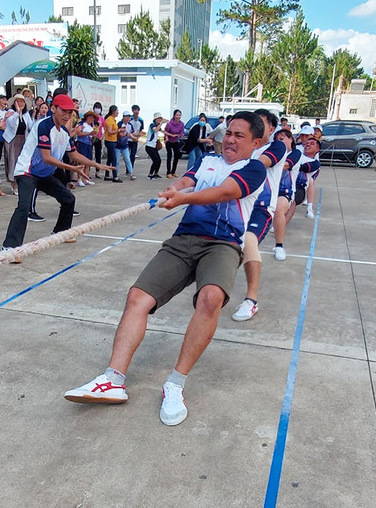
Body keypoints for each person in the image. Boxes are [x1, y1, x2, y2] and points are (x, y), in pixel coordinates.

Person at [64, 111, 267, 427]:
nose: (229, 139)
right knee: (137, 298)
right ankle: (112, 379)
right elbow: (187, 180)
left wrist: (182, 199)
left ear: (256, 142)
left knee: (211, 298)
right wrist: (175, 189)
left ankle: (175, 383)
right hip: (184, 238)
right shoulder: (206, 161)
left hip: (223, 244)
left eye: (239, 136)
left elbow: (227, 192)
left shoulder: (253, 168)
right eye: (228, 133)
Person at [1, 94, 111, 251]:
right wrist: (72, 168)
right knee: (23, 207)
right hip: (27, 172)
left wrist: (95, 164)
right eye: (63, 111)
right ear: (53, 109)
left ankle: (60, 232)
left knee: (68, 199)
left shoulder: (64, 133)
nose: (67, 116)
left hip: (44, 174)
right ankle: (9, 247)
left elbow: (74, 154)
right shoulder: (44, 126)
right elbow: (46, 157)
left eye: (70, 112)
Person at [232, 109, 287, 322]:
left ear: (271, 129)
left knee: (248, 241)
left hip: (261, 208)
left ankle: (251, 300)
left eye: (260, 122)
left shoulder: (276, 146)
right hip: (237, 205)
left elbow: (258, 164)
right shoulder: (244, 146)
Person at [271, 128, 300, 261]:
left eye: (282, 139)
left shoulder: (295, 153)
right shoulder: (272, 153)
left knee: (278, 209)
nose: (279, 142)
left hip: (285, 191)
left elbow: (286, 165)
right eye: (277, 140)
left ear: (291, 139)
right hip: (269, 189)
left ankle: (279, 246)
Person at [2, 94, 33, 195]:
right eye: (18, 101)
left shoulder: (26, 114)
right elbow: (12, 124)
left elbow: (30, 127)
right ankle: (14, 184)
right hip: (12, 140)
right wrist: (17, 112)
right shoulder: (10, 113)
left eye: (22, 102)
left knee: (21, 162)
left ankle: (20, 183)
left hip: (23, 140)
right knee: (12, 162)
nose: (20, 104)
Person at [75, 111, 99, 186]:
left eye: (93, 118)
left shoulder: (91, 127)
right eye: (91, 117)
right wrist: (89, 133)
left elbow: (91, 140)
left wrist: (94, 137)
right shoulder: (82, 124)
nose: (92, 119)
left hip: (89, 144)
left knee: (88, 162)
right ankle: (79, 179)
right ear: (87, 117)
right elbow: (78, 133)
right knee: (81, 162)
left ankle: (86, 178)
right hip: (82, 143)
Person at [164, 109, 185, 178]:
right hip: (169, 141)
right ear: (174, 116)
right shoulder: (169, 124)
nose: (178, 117)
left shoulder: (181, 124)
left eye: (179, 115)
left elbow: (182, 133)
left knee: (177, 156)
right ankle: (168, 172)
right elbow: (165, 132)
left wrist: (180, 135)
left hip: (175, 141)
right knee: (169, 156)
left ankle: (173, 171)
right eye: (177, 115)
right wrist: (167, 137)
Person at [103, 105, 122, 182]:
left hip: (113, 141)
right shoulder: (109, 120)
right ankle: (115, 176)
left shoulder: (113, 120)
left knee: (110, 159)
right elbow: (110, 132)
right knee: (114, 159)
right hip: (110, 141)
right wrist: (118, 131)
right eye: (117, 111)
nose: (118, 112)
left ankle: (107, 175)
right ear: (113, 111)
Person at [145, 112, 165, 179]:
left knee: (159, 160)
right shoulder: (152, 125)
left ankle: (156, 173)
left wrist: (173, 134)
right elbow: (155, 130)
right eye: (158, 118)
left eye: (160, 118)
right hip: (149, 146)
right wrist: (162, 123)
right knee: (155, 160)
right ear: (155, 119)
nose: (159, 120)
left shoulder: (157, 126)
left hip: (153, 146)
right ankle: (150, 174)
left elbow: (163, 132)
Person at [117, 111, 136, 180]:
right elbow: (120, 135)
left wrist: (136, 137)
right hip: (118, 145)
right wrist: (127, 135)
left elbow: (132, 133)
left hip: (125, 145)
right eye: (126, 117)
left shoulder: (130, 125)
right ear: (123, 117)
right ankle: (116, 174)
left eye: (129, 117)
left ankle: (131, 173)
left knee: (128, 159)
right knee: (117, 161)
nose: (128, 118)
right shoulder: (120, 124)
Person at [91, 101, 104, 176]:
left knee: (98, 155)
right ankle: (87, 170)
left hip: (98, 138)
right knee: (89, 155)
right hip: (92, 137)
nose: (97, 109)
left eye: (99, 108)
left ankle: (97, 172)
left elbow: (103, 128)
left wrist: (102, 136)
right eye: (96, 107)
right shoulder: (91, 117)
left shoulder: (101, 118)